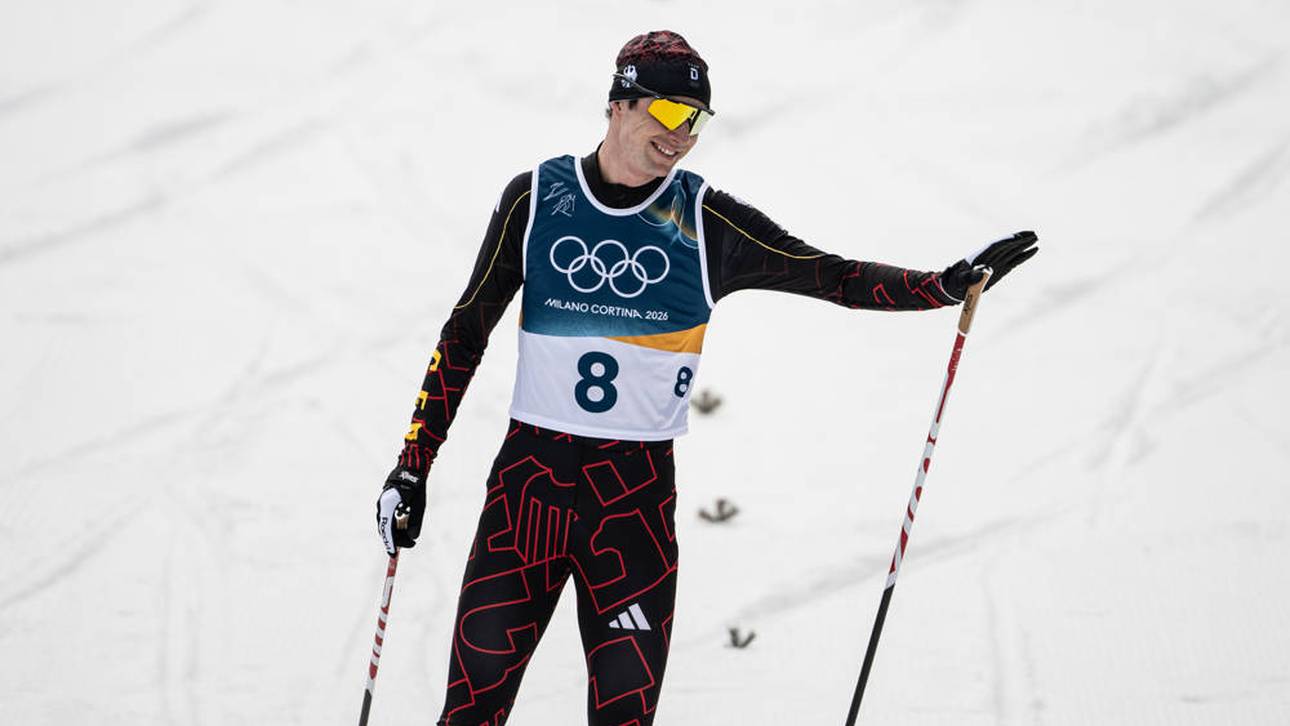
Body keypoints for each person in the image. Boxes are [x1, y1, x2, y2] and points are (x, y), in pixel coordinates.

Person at [375, 29, 1038, 726]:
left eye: (695, 120)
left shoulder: (703, 221)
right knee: (470, 713)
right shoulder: (536, 199)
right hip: (526, 495)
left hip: (630, 509)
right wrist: (413, 466)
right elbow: (465, 334)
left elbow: (830, 275)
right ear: (619, 104)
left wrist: (942, 286)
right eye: (668, 113)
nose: (682, 135)